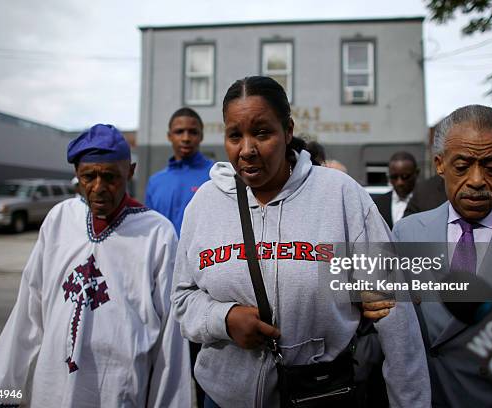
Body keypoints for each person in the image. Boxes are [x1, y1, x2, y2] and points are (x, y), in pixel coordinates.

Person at [171, 76, 430, 407]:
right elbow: (181, 298)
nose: (247, 150)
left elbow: (393, 311)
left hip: (322, 393)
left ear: (288, 130)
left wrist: (411, 402)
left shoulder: (340, 195)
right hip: (224, 398)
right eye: (235, 135)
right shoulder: (204, 204)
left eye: (262, 133)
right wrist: (224, 319)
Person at [363, 105, 492, 407]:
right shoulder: (406, 234)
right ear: (439, 164)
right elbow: (382, 319)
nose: (476, 180)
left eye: (490, 166)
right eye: (462, 165)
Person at [0, 124, 191, 407]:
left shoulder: (157, 234)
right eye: (89, 176)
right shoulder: (59, 219)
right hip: (51, 387)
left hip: (117, 390)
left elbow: (170, 339)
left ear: (130, 171)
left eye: (110, 177)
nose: (99, 188)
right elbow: (29, 307)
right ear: (77, 175)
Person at [146, 107, 214, 237]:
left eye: (193, 132)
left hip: (202, 256)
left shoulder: (215, 176)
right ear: (169, 136)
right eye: (179, 132)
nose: (186, 138)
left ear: (201, 136)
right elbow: (151, 229)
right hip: (165, 256)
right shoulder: (155, 182)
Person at [373, 151, 419, 229]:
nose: (399, 182)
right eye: (394, 177)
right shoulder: (378, 204)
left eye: (405, 176)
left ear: (416, 173)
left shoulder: (425, 202)